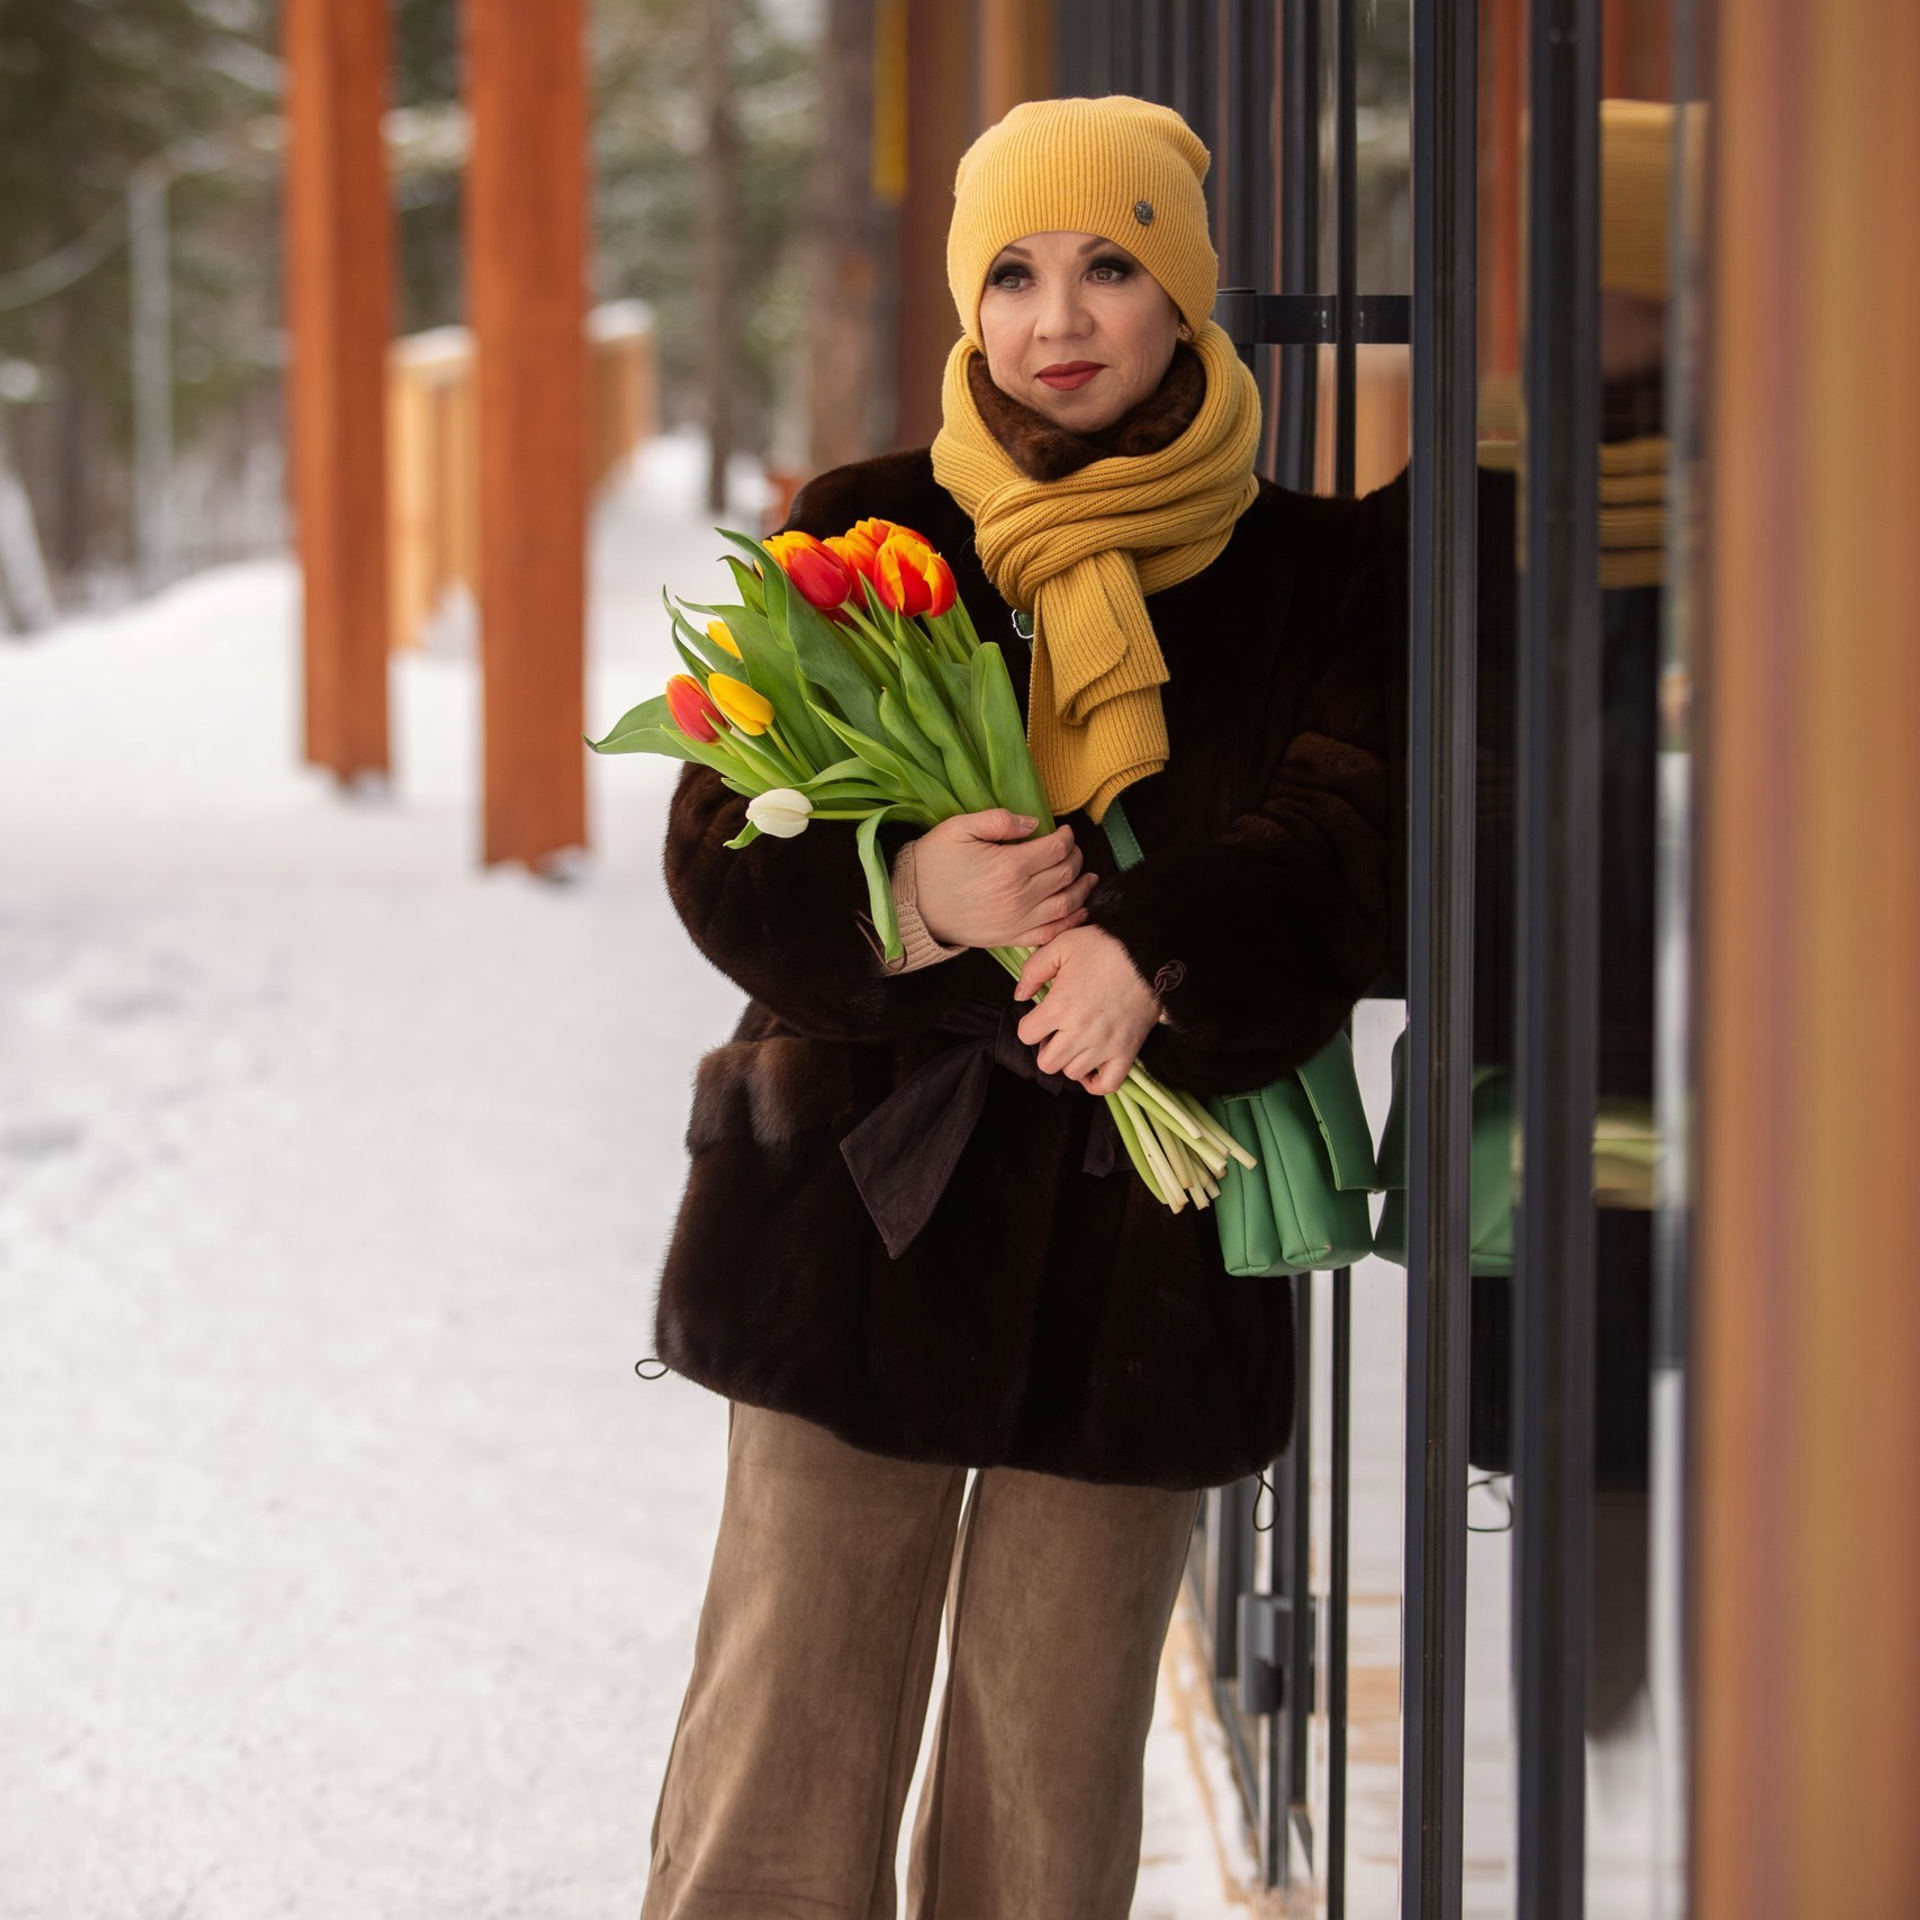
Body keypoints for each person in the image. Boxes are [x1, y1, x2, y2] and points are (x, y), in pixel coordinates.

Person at [640, 96, 1405, 1919]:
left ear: (1182, 292)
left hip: (1150, 1247)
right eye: (1012, 274)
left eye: (1110, 267)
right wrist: (913, 897)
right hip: (860, 1211)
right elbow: (720, 843)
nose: (1056, 319)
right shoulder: (868, 528)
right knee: (785, 1734)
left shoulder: (1314, 568)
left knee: (1048, 1780)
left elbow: (1355, 836)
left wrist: (1156, 952)